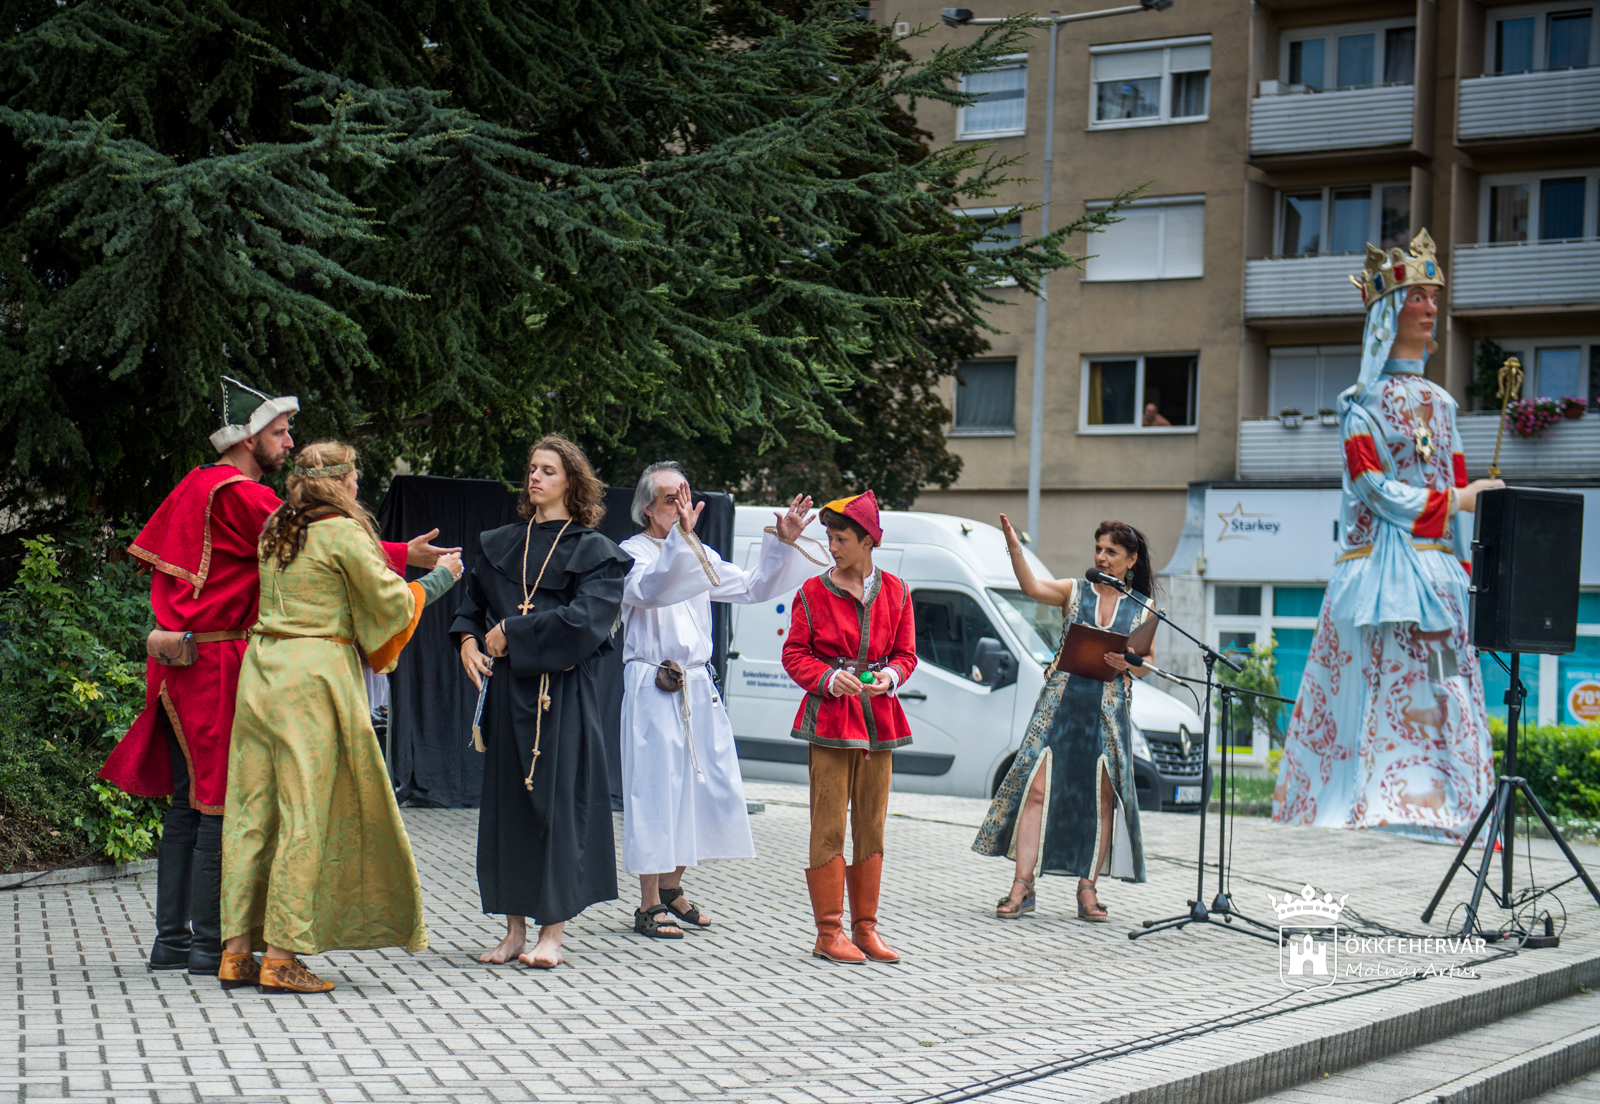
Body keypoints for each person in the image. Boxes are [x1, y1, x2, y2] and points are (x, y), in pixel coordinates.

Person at [99, 377, 456, 976]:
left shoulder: (196, 484)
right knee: (232, 807)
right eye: (279, 431)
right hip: (222, 666)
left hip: (184, 660)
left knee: (190, 809)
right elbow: (322, 539)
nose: (288, 442)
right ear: (247, 439)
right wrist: (413, 563)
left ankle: (175, 942)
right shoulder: (242, 496)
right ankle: (214, 945)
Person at [1274, 231, 1499, 840]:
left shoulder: (1443, 405)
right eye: (1418, 296)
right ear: (1390, 312)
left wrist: (1471, 517)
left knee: (1446, 678)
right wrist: (1458, 498)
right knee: (1368, 681)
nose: (1431, 306)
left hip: (1440, 578)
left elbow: (1453, 486)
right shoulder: (1360, 404)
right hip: (1376, 571)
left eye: (1433, 296)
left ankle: (1452, 796)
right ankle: (1373, 797)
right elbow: (1371, 487)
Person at [217, 442, 463, 994]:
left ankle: (236, 953)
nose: (358, 486)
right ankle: (280, 957)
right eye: (355, 476)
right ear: (343, 481)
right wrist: (441, 579)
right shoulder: (343, 532)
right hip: (313, 678)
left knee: (252, 810)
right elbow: (389, 606)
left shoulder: (278, 526)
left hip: (261, 672)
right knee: (307, 812)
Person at [618, 464, 822, 938]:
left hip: (695, 685)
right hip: (654, 684)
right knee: (656, 791)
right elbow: (651, 592)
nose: (682, 506)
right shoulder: (632, 554)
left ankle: (673, 889)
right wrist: (681, 542)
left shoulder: (696, 550)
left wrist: (783, 543)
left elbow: (751, 587)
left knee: (698, 788)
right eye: (671, 498)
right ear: (647, 507)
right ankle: (648, 905)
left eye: (687, 496)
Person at [452, 435, 633, 969]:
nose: (535, 478)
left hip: (563, 695)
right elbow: (471, 607)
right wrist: (467, 640)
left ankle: (551, 934)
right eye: (531, 468)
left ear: (571, 483)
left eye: (548, 471)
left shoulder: (595, 552)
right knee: (509, 810)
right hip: (509, 693)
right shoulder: (500, 542)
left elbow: (587, 623)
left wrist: (515, 630)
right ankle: (512, 932)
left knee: (556, 809)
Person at [974, 519, 1154, 922]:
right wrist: (1013, 549)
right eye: (1098, 549)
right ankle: (1023, 885)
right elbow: (1032, 588)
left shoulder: (1142, 607)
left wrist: (1130, 662)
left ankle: (1087, 888)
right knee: (1036, 791)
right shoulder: (1074, 589)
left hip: (1107, 713)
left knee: (1100, 799)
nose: (1102, 557)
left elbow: (1148, 663)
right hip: (1059, 707)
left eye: (1111, 552)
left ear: (1131, 560)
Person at [782, 491, 916, 965]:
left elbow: (906, 654)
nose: (832, 546)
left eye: (840, 539)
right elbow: (794, 654)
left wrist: (891, 676)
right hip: (831, 719)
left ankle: (865, 929)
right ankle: (828, 932)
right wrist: (826, 678)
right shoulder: (812, 592)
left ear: (867, 540)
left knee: (872, 823)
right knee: (829, 823)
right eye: (830, 538)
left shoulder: (897, 592)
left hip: (880, 719)